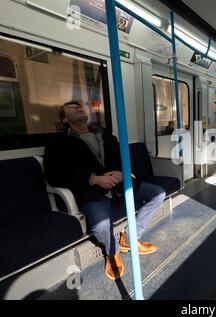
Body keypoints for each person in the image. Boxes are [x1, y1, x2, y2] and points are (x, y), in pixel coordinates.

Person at [44, 101, 166, 281]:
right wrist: (93, 179)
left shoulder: (108, 137)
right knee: (101, 225)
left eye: (79, 106)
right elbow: (54, 175)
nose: (78, 108)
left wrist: (121, 172)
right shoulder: (58, 143)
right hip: (91, 191)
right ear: (64, 119)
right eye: (71, 108)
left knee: (158, 194)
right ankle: (113, 252)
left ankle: (131, 238)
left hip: (118, 184)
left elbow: (120, 160)